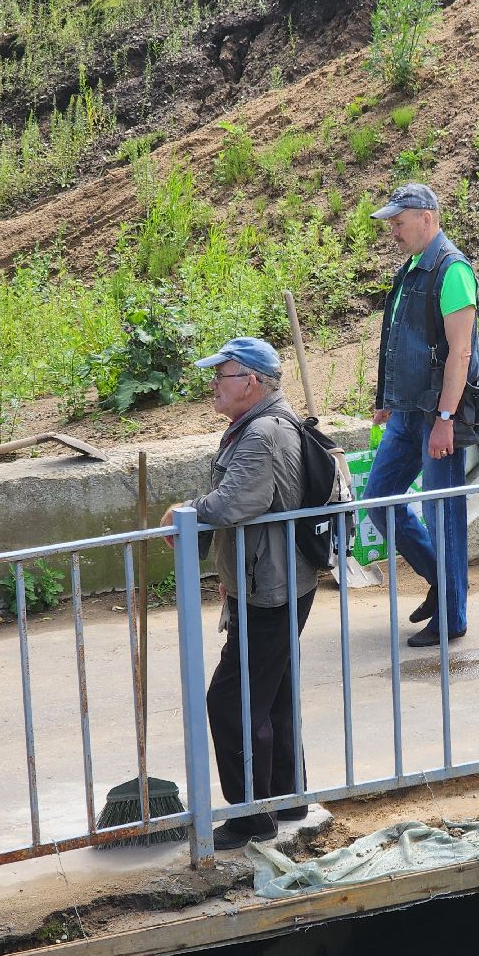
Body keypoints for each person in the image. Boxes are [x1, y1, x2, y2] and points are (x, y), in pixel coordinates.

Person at [161, 338, 316, 850]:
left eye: (221, 375)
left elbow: (236, 501)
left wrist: (184, 512)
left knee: (231, 701)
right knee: (272, 691)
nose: (213, 384)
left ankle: (253, 817)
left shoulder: (262, 434)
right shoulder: (265, 424)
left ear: (250, 382)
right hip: (275, 580)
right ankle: (288, 797)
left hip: (271, 588)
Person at [364, 182, 479, 648]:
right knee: (378, 498)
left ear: (427, 218)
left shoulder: (452, 271)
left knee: (443, 513)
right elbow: (398, 339)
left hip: (436, 418)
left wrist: (446, 418)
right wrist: (387, 397)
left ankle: (453, 617)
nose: (392, 230)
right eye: (391, 222)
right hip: (406, 414)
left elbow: (460, 352)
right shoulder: (412, 267)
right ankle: (441, 579)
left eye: (398, 221)